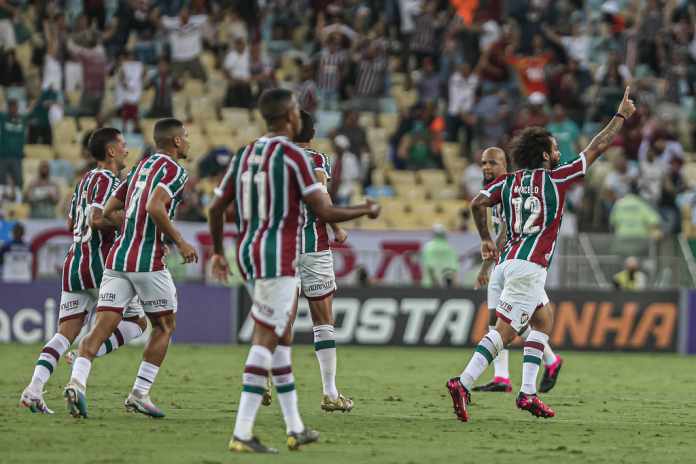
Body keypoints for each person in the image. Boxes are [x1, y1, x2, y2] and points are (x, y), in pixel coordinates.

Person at [447, 87, 636, 422]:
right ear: (546, 155)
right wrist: (620, 115)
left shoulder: (507, 182)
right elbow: (599, 146)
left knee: (544, 319)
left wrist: (485, 240)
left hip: (508, 262)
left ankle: (528, 393)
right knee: (504, 333)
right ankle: (462, 382)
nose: (559, 151)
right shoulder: (558, 178)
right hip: (528, 266)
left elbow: (477, 203)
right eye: (555, 147)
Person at [207, 88, 380, 453]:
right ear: (289, 115)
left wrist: (219, 253)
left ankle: (295, 426)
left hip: (248, 252)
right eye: (297, 111)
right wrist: (365, 208)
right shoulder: (296, 156)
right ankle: (242, 431)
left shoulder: (245, 154)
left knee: (281, 342)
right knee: (267, 338)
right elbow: (326, 210)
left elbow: (216, 207)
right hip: (280, 253)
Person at [64, 119, 198, 419]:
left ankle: (77, 382)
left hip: (117, 259)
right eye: (186, 137)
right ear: (176, 142)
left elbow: (109, 210)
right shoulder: (175, 170)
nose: (188, 142)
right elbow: (154, 207)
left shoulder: (139, 167)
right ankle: (139, 393)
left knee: (102, 326)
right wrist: (180, 242)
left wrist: (131, 225)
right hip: (147, 260)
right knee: (164, 326)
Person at [19, 128, 147, 414]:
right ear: (111, 151)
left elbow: (70, 223)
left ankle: (34, 389)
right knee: (138, 322)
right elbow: (97, 218)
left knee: (64, 333)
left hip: (74, 262)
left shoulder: (84, 181)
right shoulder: (106, 179)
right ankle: (85, 359)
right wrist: (128, 226)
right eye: (123, 145)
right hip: (101, 263)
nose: (127, 150)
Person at [472, 147, 562, 394]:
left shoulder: (509, 187)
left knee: (501, 320)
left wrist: (485, 266)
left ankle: (508, 376)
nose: (486, 167)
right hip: (513, 266)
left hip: (518, 265)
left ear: (505, 164)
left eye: (492, 163)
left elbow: (504, 234)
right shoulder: (497, 190)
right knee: (521, 320)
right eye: (483, 163)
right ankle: (545, 363)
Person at [293, 110, 352, 412]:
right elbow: (320, 198)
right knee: (322, 320)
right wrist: (338, 228)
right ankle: (329, 391)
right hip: (313, 246)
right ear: (311, 133)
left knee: (277, 319)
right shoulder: (316, 160)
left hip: (281, 249)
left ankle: (262, 375)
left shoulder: (272, 158)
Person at [421, 224, 459, 288]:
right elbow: (454, 270)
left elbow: (428, 266)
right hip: (446, 287)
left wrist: (435, 282)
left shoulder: (427, 248)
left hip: (429, 285)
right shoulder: (450, 249)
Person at [0, 99, 27, 188]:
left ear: (17, 108)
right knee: (1, 181)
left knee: (19, 181)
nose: (13, 109)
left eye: (14, 106)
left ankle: (19, 199)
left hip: (17, 157)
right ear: (8, 108)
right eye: (11, 107)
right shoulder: (3, 118)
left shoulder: (22, 119)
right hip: (4, 156)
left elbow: (33, 111)